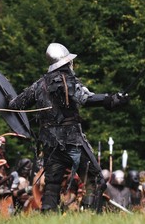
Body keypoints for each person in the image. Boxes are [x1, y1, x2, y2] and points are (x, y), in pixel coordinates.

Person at [7, 42, 129, 213]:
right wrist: (112, 99)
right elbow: (86, 99)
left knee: (52, 186)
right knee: (95, 181)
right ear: (66, 62)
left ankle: (48, 220)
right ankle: (89, 217)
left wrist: (6, 96)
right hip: (72, 142)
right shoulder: (68, 80)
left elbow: (15, 104)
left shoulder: (39, 85)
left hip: (50, 144)